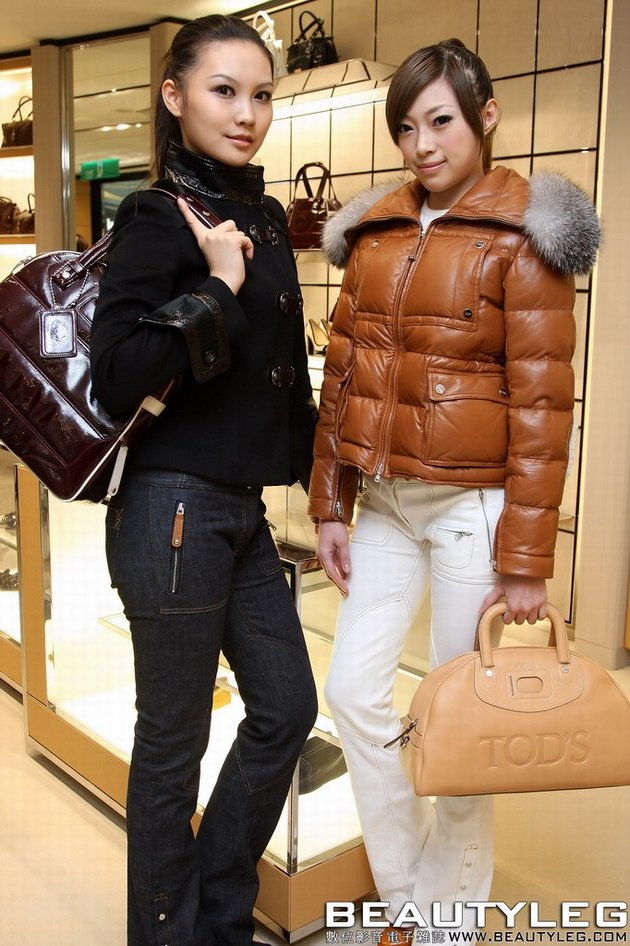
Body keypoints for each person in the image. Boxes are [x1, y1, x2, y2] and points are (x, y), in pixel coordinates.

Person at [308, 38, 600, 937]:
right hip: (387, 503)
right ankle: (410, 895)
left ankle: (449, 920)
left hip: (476, 510)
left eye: (439, 121)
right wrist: (329, 502)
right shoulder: (377, 232)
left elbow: (543, 409)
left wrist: (527, 562)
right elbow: (345, 375)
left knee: (461, 721)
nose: (421, 144)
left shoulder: (525, 236)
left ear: (486, 117)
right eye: (405, 127)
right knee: (353, 692)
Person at [90, 15, 318, 946]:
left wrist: (325, 497)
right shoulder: (156, 216)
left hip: (241, 511)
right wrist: (216, 287)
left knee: (287, 708)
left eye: (261, 94)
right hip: (172, 507)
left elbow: (286, 378)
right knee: (172, 746)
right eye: (224, 90)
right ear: (174, 95)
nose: (246, 112)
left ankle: (218, 916)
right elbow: (116, 374)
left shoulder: (263, 215)